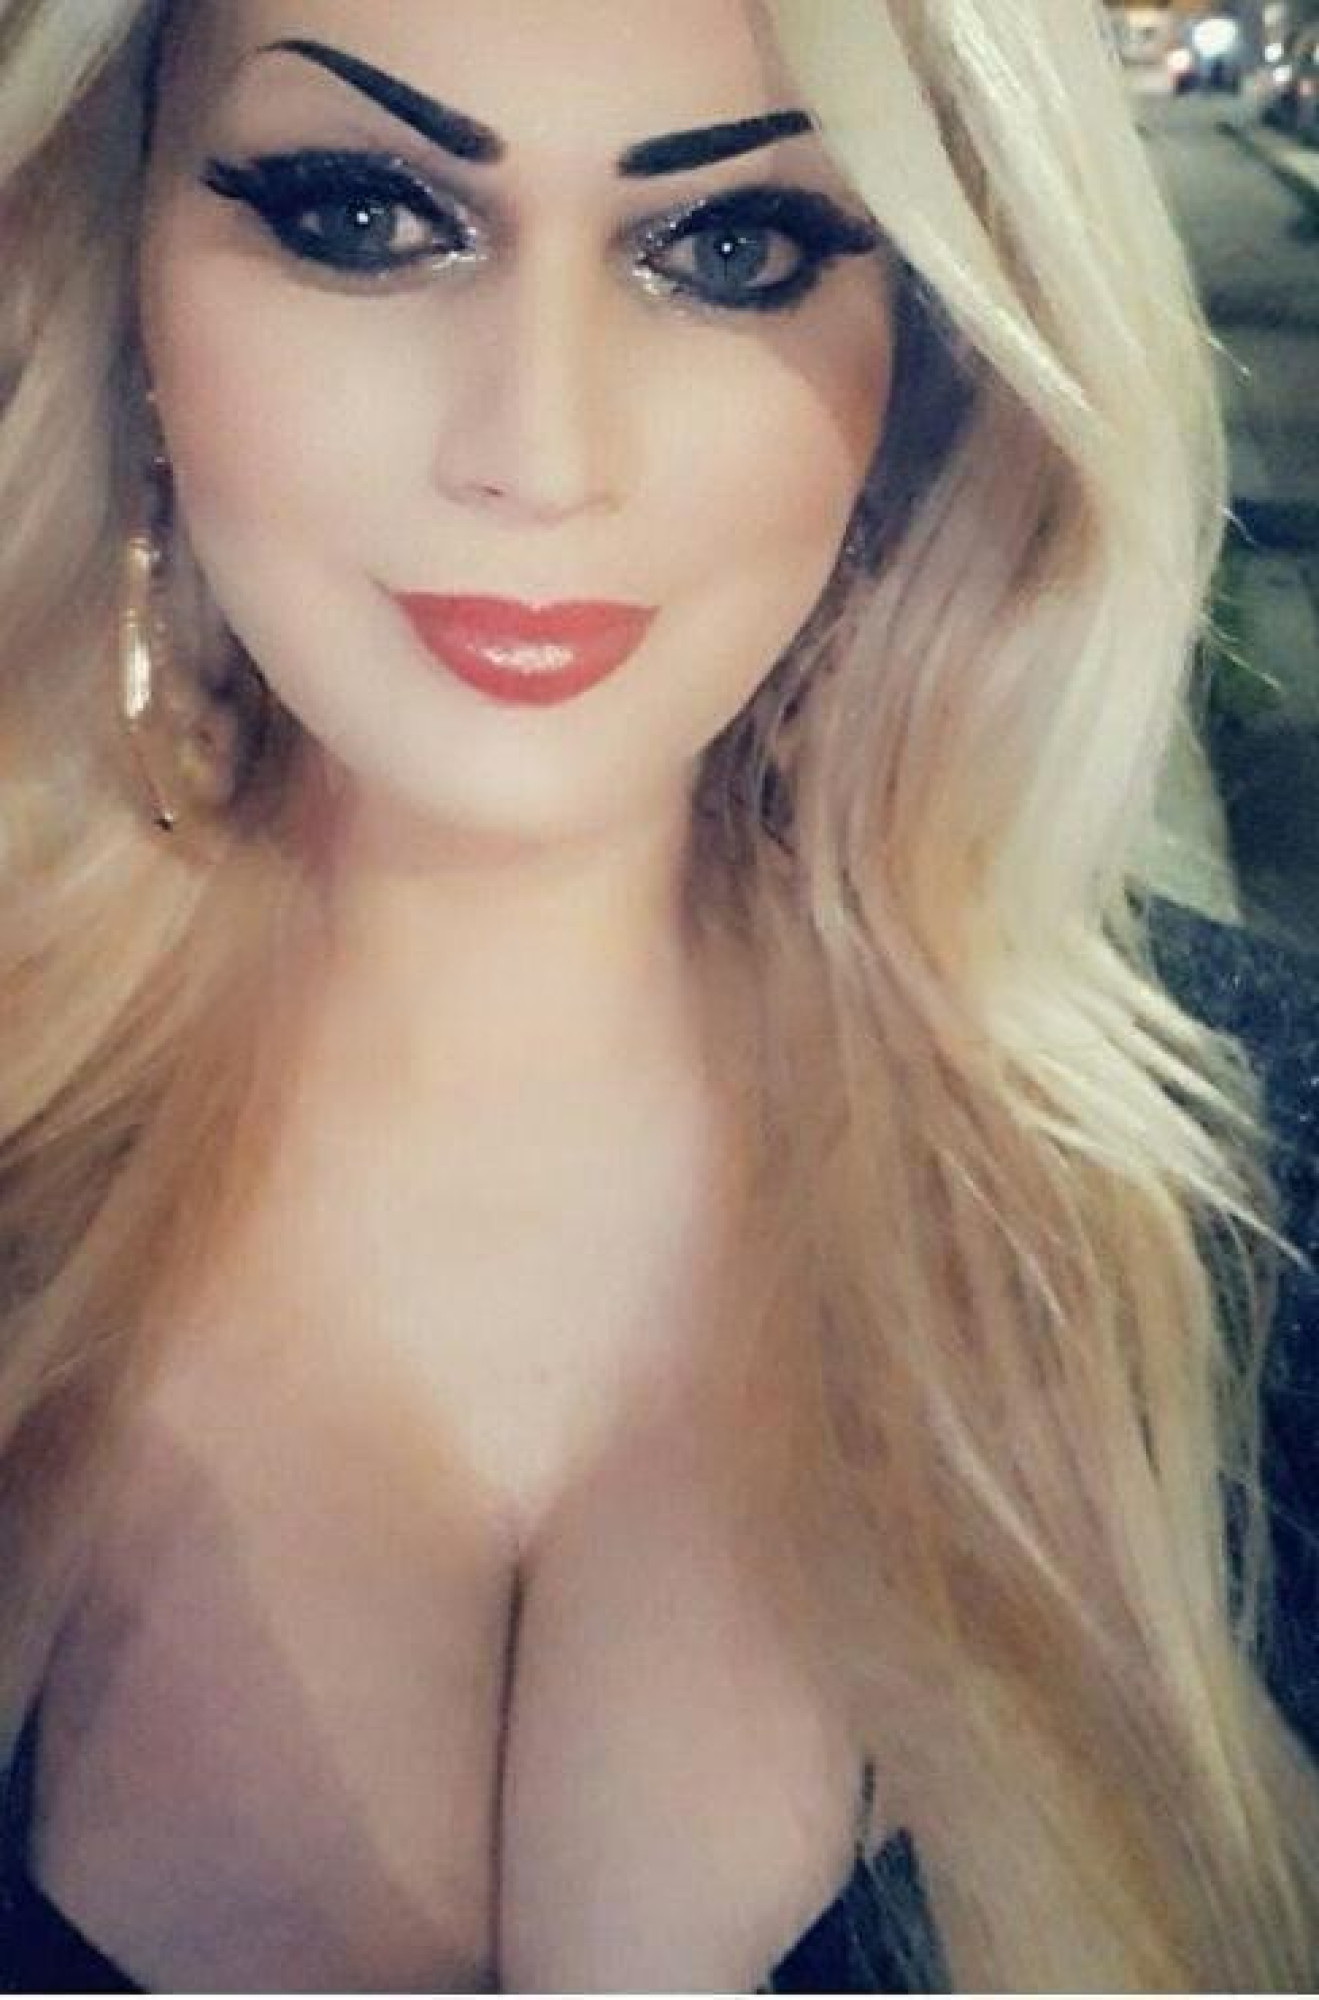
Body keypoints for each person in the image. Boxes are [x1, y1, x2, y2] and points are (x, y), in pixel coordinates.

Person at [0, 0, 1315, 1989]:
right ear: (122, 291)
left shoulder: (1262, 1203)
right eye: (364, 214)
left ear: (928, 364)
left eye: (732, 247)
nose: (542, 455)